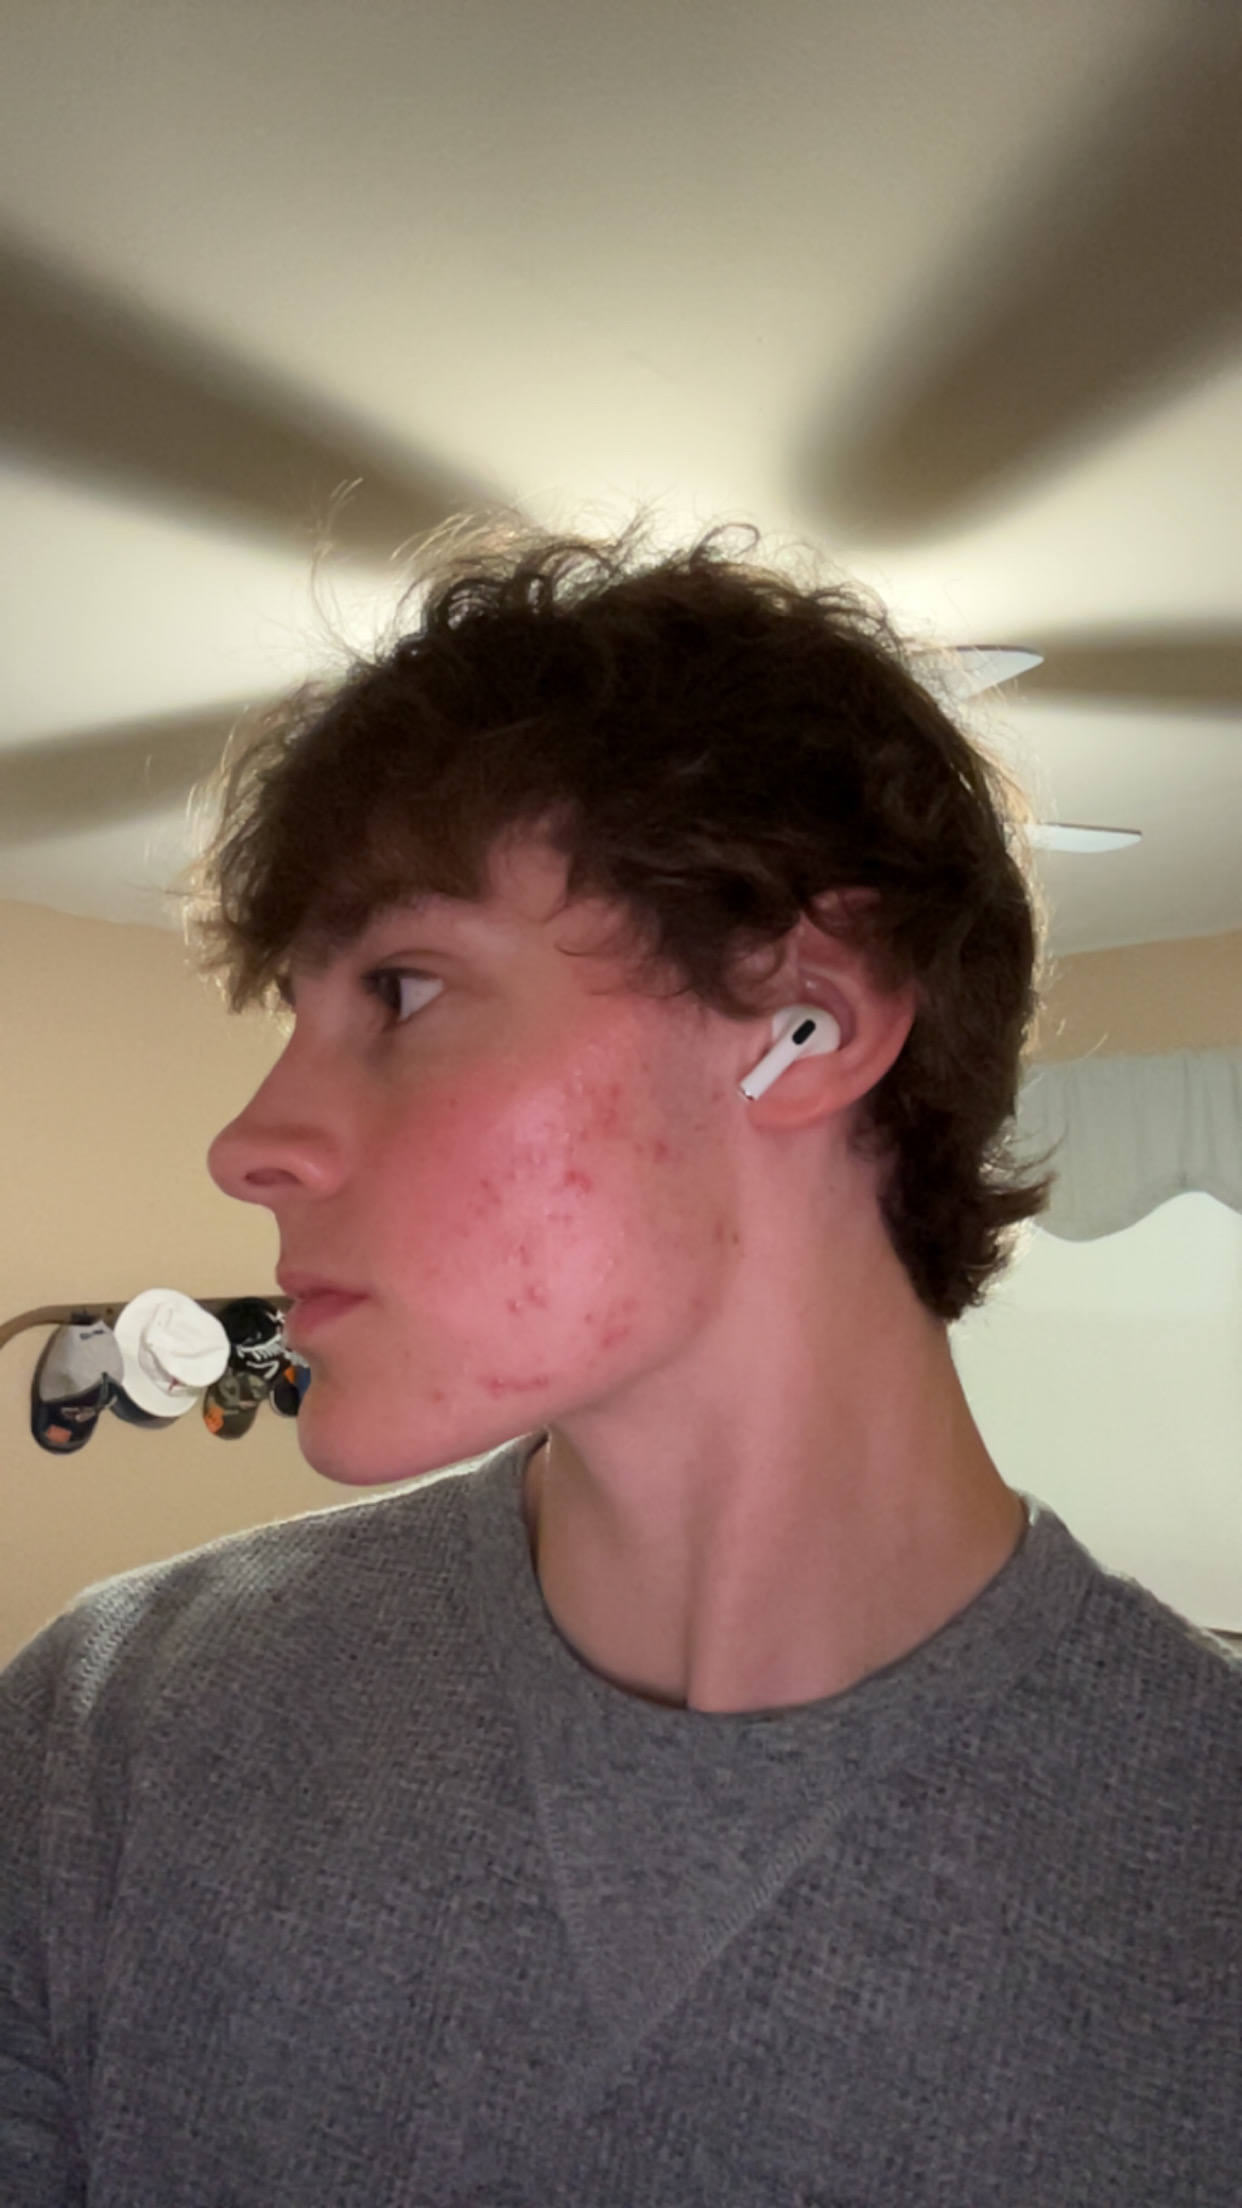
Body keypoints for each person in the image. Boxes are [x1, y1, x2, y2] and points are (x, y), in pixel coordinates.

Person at [2, 524, 1238, 2207]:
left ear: (805, 1021)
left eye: (402, 989)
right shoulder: (115, 1727)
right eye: (297, 1014)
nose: (247, 1144)